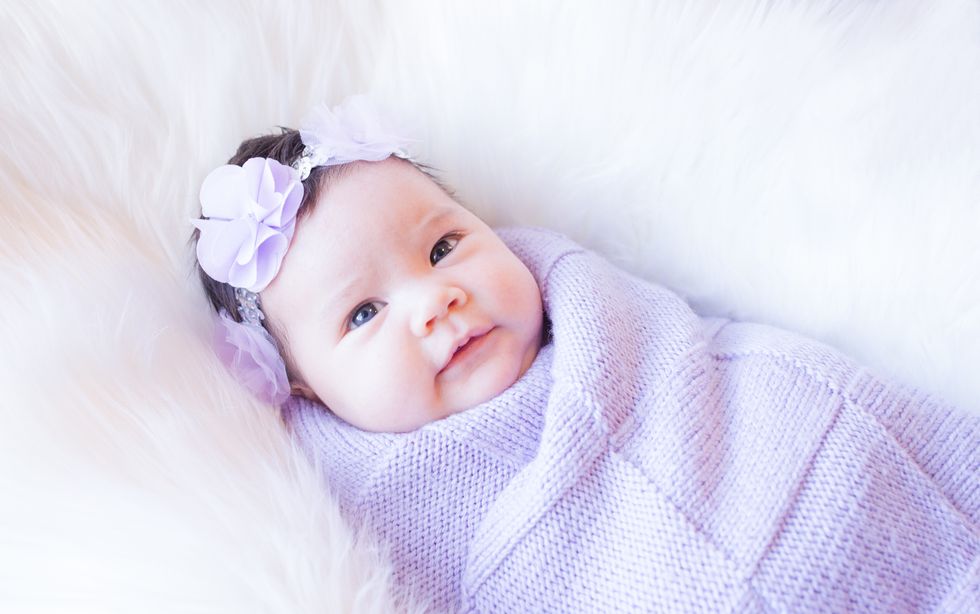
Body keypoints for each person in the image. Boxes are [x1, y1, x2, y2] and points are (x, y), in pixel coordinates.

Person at [190, 96, 979, 613]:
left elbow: (819, 408)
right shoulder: (359, 517)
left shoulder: (632, 335)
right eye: (364, 312)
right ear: (305, 386)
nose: (436, 300)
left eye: (443, 246)